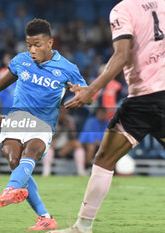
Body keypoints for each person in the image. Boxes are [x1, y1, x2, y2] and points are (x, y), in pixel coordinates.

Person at [0, 18, 87, 231]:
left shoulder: (67, 68)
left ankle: (10, 189)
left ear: (50, 43)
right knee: (14, 160)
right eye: (29, 45)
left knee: (31, 152)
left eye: (37, 45)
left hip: (43, 123)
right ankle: (45, 217)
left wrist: (82, 95)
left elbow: (89, 93)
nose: (32, 50)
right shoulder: (21, 61)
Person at [49, 0, 165, 232]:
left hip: (144, 99)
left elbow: (121, 55)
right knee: (104, 158)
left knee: (104, 160)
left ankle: (83, 226)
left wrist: (92, 90)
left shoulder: (122, 9)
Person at [42, 107, 87, 176]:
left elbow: (74, 137)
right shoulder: (52, 119)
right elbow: (50, 137)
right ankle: (46, 170)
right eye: (61, 111)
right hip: (54, 143)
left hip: (65, 144)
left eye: (65, 111)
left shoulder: (69, 119)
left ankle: (81, 171)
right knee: (50, 144)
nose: (63, 113)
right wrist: (60, 125)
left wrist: (69, 127)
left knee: (77, 143)